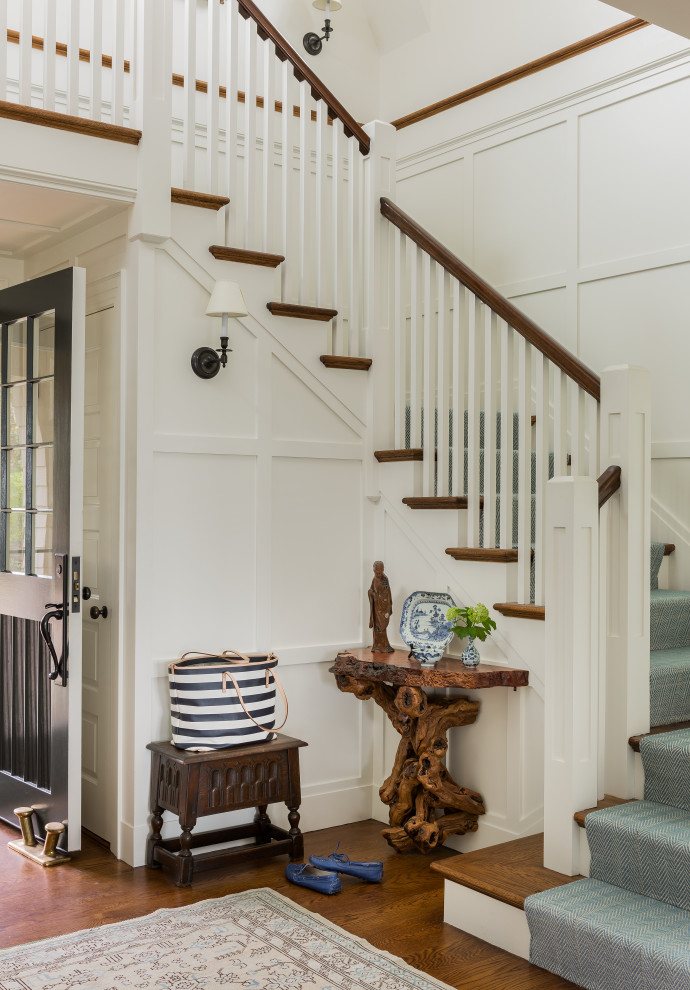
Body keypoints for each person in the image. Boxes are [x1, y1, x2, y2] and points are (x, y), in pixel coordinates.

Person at [368, 560, 394, 653]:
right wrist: (370, 592)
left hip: (383, 608)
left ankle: (384, 645)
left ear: (383, 569)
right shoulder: (374, 579)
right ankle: (376, 645)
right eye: (377, 569)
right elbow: (372, 589)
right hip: (376, 608)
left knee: (381, 627)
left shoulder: (384, 580)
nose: (379, 572)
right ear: (374, 569)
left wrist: (374, 595)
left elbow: (386, 596)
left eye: (381, 569)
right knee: (376, 627)